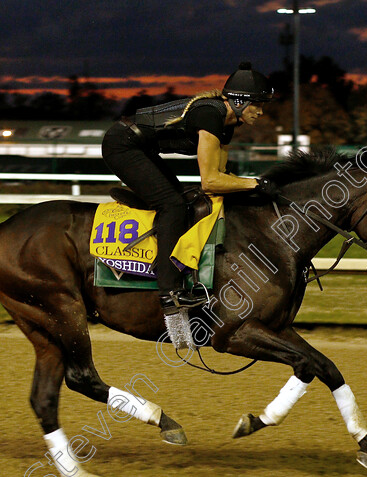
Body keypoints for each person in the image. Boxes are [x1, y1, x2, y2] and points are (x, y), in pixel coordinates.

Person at [102, 62, 281, 316]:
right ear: (240, 101)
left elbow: (222, 177)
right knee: (172, 205)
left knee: (184, 203)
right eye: (258, 104)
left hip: (141, 147)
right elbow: (210, 181)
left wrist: (253, 188)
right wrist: (255, 183)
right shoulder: (211, 115)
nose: (261, 112)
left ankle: (171, 265)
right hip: (122, 145)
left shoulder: (229, 124)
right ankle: (168, 292)